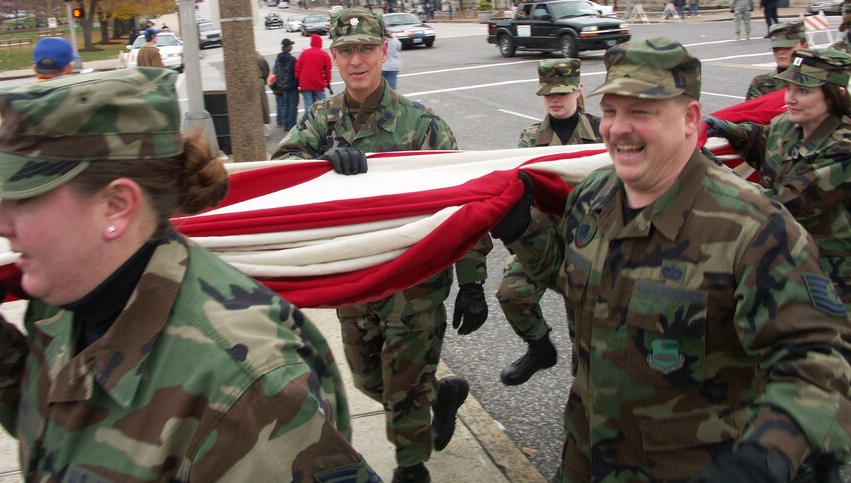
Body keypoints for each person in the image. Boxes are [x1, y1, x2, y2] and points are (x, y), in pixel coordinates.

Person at [0, 68, 380, 481]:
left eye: (23, 198)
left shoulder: (247, 384)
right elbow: (56, 428)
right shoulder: (65, 299)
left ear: (116, 206)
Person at [489, 37, 851, 482]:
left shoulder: (754, 228)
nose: (619, 128)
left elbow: (819, 363)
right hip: (586, 454)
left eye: (642, 112)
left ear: (689, 119)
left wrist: (766, 456)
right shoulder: (592, 197)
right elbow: (574, 281)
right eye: (612, 111)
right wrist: (522, 231)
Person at [272, 9, 491, 483]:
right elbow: (282, 166)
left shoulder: (424, 125)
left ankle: (411, 466)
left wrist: (473, 284)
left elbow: (468, 202)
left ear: (383, 51)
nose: (357, 61)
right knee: (368, 378)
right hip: (356, 273)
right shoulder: (321, 120)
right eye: (346, 51)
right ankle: (442, 394)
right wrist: (319, 166)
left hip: (415, 278)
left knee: (404, 386)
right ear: (334, 57)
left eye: (366, 49)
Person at [706, 48, 851, 312]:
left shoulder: (844, 146)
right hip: (781, 262)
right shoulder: (787, 124)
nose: (790, 99)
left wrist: (716, 174)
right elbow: (763, 143)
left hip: (832, 278)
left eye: (803, 91)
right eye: (788, 88)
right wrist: (726, 128)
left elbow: (790, 202)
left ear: (834, 96)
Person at [497, 58, 601, 387]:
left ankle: (585, 386)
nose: (555, 100)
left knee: (585, 323)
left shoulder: (601, 132)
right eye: (548, 94)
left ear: (578, 90)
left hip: (590, 244)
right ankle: (540, 348)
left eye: (563, 93)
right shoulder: (531, 138)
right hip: (543, 238)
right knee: (511, 294)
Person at [745, 22, 808, 100]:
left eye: (787, 47)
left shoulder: (819, 80)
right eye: (776, 48)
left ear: (805, 47)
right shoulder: (762, 83)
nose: (780, 52)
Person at [295, 34, 333, 113]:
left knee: (308, 103)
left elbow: (298, 67)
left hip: (305, 82)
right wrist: (328, 82)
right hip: (318, 82)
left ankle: (308, 121)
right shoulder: (324, 55)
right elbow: (327, 71)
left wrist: (297, 79)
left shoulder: (304, 53)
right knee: (323, 102)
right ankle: (327, 119)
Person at [273, 37, 299, 130]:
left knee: (285, 104)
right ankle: (291, 124)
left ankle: (285, 122)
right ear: (287, 47)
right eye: (290, 45)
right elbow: (296, 72)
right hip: (291, 85)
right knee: (292, 104)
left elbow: (275, 71)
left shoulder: (278, 58)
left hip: (281, 85)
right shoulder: (292, 59)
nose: (292, 47)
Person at [257, 51, 272, 134]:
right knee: (262, 105)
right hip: (259, 80)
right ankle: (263, 123)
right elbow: (266, 69)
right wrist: (264, 79)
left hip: (257, 80)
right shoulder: (259, 58)